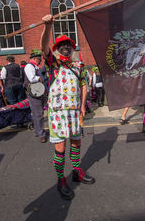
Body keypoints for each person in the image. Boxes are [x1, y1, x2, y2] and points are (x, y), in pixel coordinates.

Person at [41, 14, 95, 201]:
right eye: (61, 45)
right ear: (56, 49)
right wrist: (48, 26)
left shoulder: (78, 65)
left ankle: (77, 172)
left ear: (72, 48)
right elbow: (43, 47)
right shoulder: (52, 64)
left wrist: (82, 107)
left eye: (68, 45)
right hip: (57, 113)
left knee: (76, 143)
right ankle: (60, 179)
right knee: (61, 147)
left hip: (73, 112)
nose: (65, 47)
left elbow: (83, 85)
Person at [24, 50, 47, 143]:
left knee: (39, 113)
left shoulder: (34, 66)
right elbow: (32, 79)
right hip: (34, 93)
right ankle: (41, 134)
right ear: (34, 58)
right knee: (38, 114)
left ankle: (39, 131)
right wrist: (40, 78)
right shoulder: (29, 66)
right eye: (38, 59)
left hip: (37, 92)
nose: (40, 61)